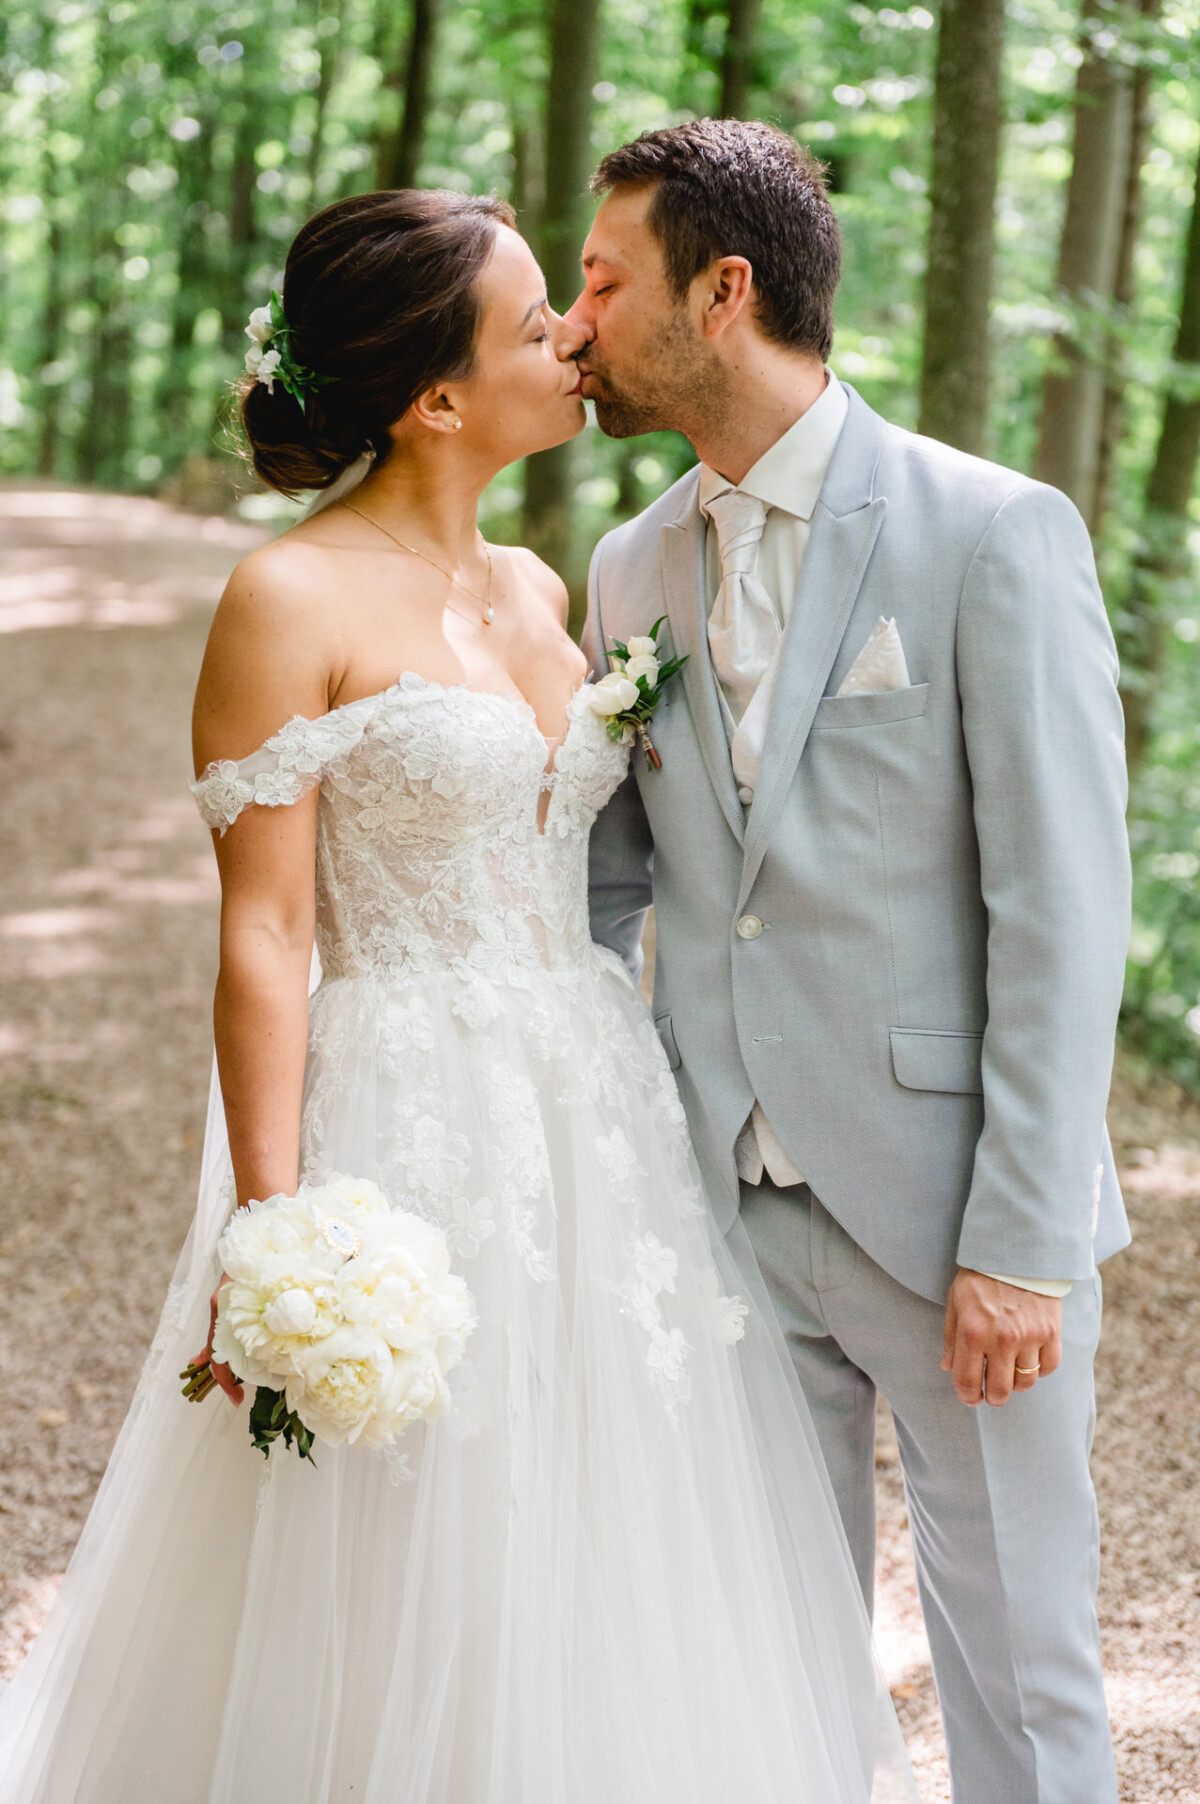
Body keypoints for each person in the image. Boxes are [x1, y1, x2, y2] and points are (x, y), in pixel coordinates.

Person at [0, 189, 916, 1803]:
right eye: (528, 326)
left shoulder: (549, 589)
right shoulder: (286, 603)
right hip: (405, 1108)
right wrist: (273, 1226)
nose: (573, 339)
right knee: (407, 1517)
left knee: (602, 1513)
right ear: (435, 400)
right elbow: (267, 939)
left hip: (592, 1101)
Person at [574, 118, 1131, 1804]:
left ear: (721, 291)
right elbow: (604, 891)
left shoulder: (993, 531)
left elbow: (1062, 901)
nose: (571, 321)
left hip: (957, 1214)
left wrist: (1023, 1243)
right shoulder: (628, 567)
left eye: (604, 280)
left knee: (1022, 1676)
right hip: (725, 1209)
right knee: (766, 1677)